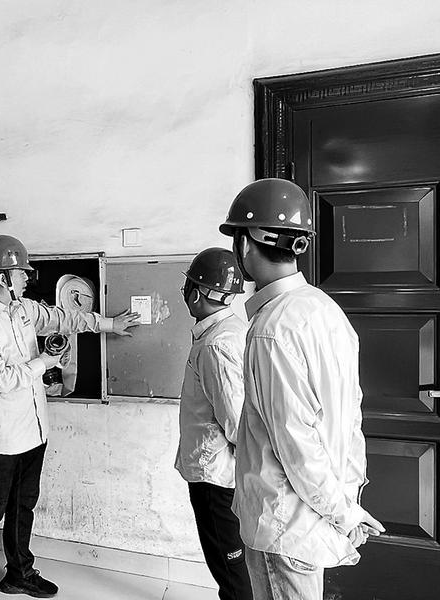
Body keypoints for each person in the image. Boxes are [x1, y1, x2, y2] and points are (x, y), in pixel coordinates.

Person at [219, 178, 385, 600]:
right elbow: (350, 419)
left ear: (245, 244)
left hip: (284, 527)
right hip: (313, 519)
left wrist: (344, 513)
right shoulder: (325, 310)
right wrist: (347, 501)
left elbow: (297, 444)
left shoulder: (271, 331)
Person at [0, 234, 140, 600]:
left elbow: (62, 317)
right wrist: (44, 362)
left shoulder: (21, 309)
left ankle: (19, 574)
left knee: (23, 506)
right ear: (3, 278)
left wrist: (108, 324)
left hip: (33, 430)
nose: (27, 278)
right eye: (21, 272)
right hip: (0, 436)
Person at [175, 248, 252, 600]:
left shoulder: (215, 345)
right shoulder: (233, 329)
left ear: (197, 293)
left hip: (215, 477)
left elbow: (235, 422)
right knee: (233, 566)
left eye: (188, 285)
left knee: (230, 571)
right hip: (223, 473)